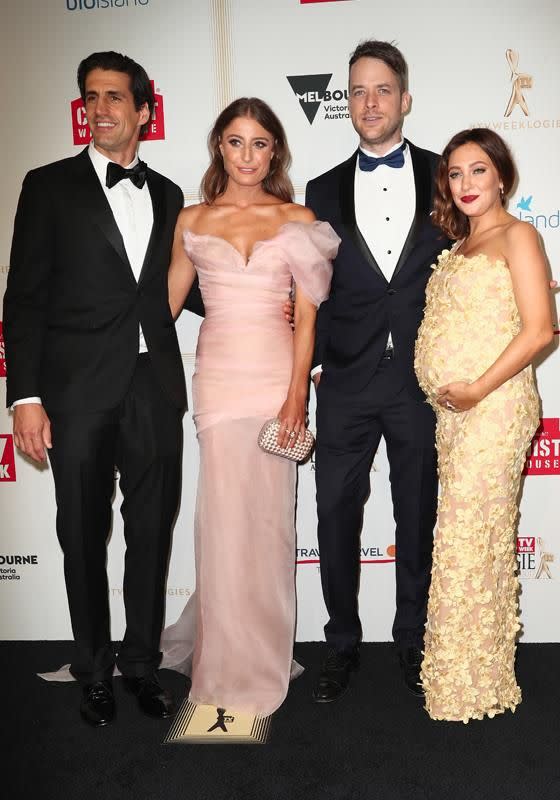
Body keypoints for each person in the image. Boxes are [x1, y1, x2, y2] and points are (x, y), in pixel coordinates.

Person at [2, 51, 206, 727]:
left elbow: (186, 287)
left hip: (155, 387)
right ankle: (93, 669)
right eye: (92, 96)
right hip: (76, 390)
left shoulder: (171, 194)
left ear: (144, 111)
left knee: (152, 533)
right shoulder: (47, 186)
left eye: (116, 97)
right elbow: (24, 298)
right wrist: (23, 396)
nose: (101, 109)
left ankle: (142, 666)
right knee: (82, 534)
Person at [163, 97, 339, 716]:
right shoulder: (191, 220)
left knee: (268, 524)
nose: (246, 155)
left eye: (259, 143)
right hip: (216, 381)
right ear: (219, 146)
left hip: (272, 380)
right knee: (220, 523)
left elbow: (308, 320)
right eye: (235, 142)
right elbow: (162, 313)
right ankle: (220, 658)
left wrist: (297, 397)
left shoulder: (298, 218)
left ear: (275, 151)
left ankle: (262, 654)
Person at [305, 40, 444, 702]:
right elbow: (315, 288)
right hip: (346, 381)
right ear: (347, 103)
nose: (369, 101)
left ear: (405, 99)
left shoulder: (448, 175)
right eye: (358, 91)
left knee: (419, 514)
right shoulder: (321, 188)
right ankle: (340, 644)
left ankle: (414, 638)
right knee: (336, 514)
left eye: (382, 89)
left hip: (422, 381)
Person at [414, 128, 553, 722]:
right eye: (455, 173)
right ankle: (478, 677)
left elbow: (540, 330)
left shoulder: (519, 236)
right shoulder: (461, 244)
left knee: (471, 540)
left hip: (493, 410)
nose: (466, 184)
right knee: (470, 542)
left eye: (478, 171)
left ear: (501, 176)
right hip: (457, 417)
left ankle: (467, 686)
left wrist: (476, 389)